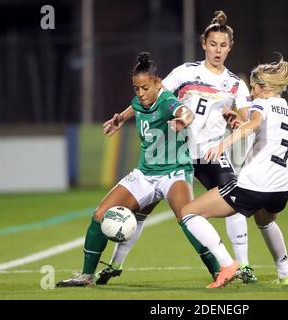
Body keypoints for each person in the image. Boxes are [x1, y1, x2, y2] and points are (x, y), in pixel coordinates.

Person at [94, 11, 260, 284]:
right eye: (213, 44)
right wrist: (121, 118)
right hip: (173, 153)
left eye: (223, 45)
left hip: (209, 154)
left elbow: (245, 119)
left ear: (230, 47)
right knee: (140, 213)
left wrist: (235, 120)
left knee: (235, 202)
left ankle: (243, 266)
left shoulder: (235, 84)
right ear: (203, 44)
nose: (218, 50)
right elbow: (152, 95)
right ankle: (114, 264)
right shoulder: (185, 72)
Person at [56, 52, 195, 287]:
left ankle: (222, 270)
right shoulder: (138, 102)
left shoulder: (166, 101)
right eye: (136, 88)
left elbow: (182, 110)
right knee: (100, 215)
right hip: (145, 173)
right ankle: (86, 276)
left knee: (188, 218)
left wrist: (184, 118)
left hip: (174, 172)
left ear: (158, 82)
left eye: (144, 87)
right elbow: (133, 107)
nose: (140, 93)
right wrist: (120, 118)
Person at [180, 55, 288, 288]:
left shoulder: (261, 104)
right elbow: (263, 132)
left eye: (253, 88)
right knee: (265, 222)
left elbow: (254, 124)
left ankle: (227, 264)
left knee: (188, 213)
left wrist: (222, 144)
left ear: (264, 88)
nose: (251, 93)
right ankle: (286, 275)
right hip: (281, 189)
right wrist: (240, 123)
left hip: (254, 186)